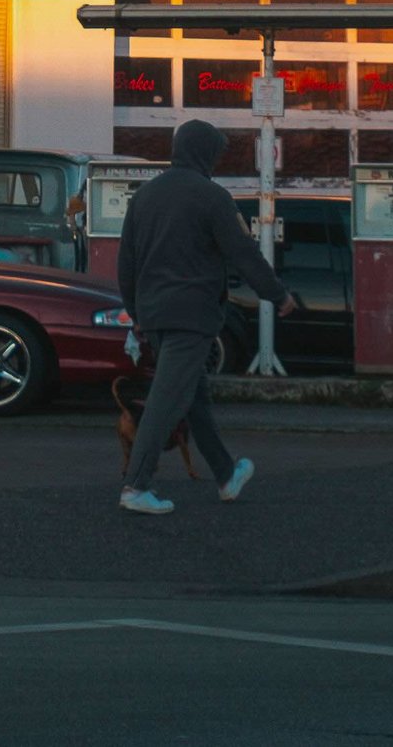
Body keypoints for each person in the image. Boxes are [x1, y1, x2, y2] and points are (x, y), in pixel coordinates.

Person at [114, 119, 297, 515]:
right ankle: (136, 486)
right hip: (192, 317)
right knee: (166, 402)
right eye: (215, 154)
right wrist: (277, 294)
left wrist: (137, 313)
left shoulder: (144, 197)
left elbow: (125, 263)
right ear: (205, 154)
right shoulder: (212, 197)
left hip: (156, 316)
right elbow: (242, 253)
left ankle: (226, 475)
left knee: (194, 399)